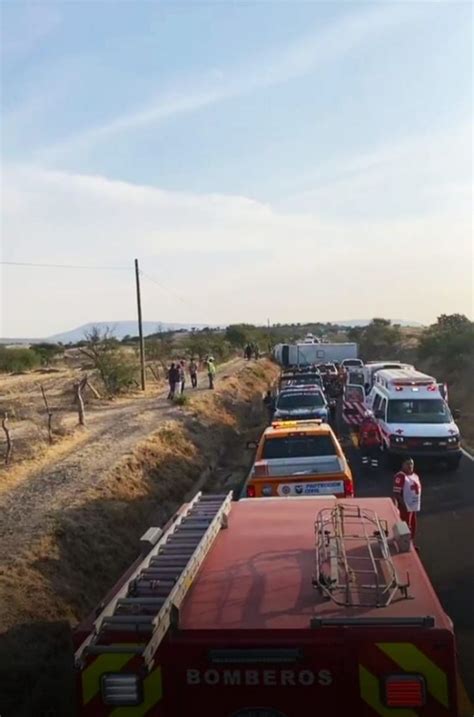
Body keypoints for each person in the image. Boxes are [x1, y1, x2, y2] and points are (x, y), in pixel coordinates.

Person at [393, 458, 422, 542]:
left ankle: (411, 542)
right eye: (408, 464)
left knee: (413, 525)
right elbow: (396, 493)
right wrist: (403, 505)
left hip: (413, 507)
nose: (410, 466)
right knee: (405, 526)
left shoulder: (415, 476)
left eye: (411, 464)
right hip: (405, 507)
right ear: (403, 465)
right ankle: (405, 543)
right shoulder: (401, 476)